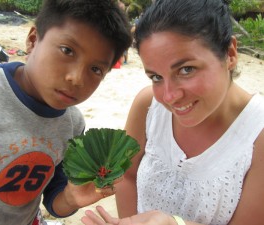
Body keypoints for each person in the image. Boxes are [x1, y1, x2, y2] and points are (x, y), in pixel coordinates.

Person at [81, 0, 264, 225]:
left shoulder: (258, 133)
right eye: (156, 77)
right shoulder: (148, 106)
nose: (169, 96)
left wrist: (173, 223)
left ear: (230, 54)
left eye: (186, 70)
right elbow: (127, 175)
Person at [0, 0, 132, 224]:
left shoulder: (73, 124)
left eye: (96, 69)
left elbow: (54, 200)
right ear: (33, 40)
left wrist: (71, 198)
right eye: (67, 51)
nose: (76, 78)